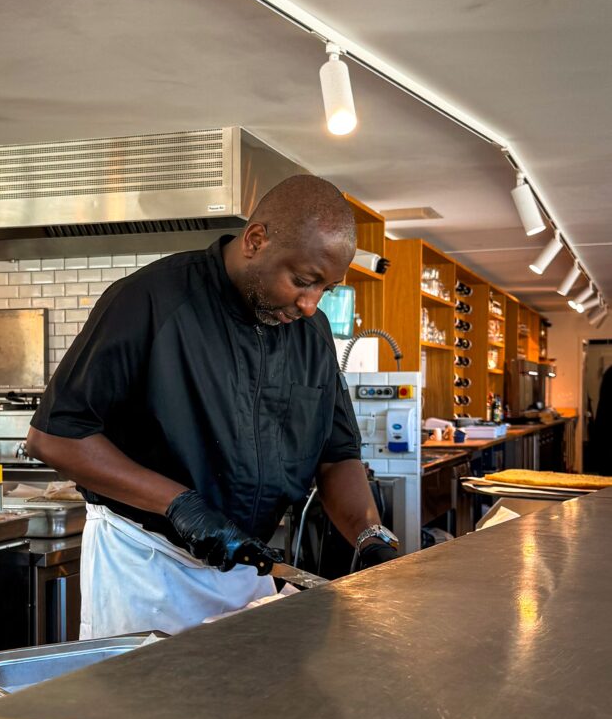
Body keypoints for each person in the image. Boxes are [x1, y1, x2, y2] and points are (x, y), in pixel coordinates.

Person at [27, 175, 398, 639]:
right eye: (303, 282)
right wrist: (181, 505)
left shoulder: (314, 333)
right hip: (147, 566)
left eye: (326, 289)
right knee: (143, 707)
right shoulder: (150, 300)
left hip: (247, 565)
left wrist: (368, 535)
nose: (310, 305)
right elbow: (56, 435)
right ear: (255, 240)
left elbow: (337, 454)